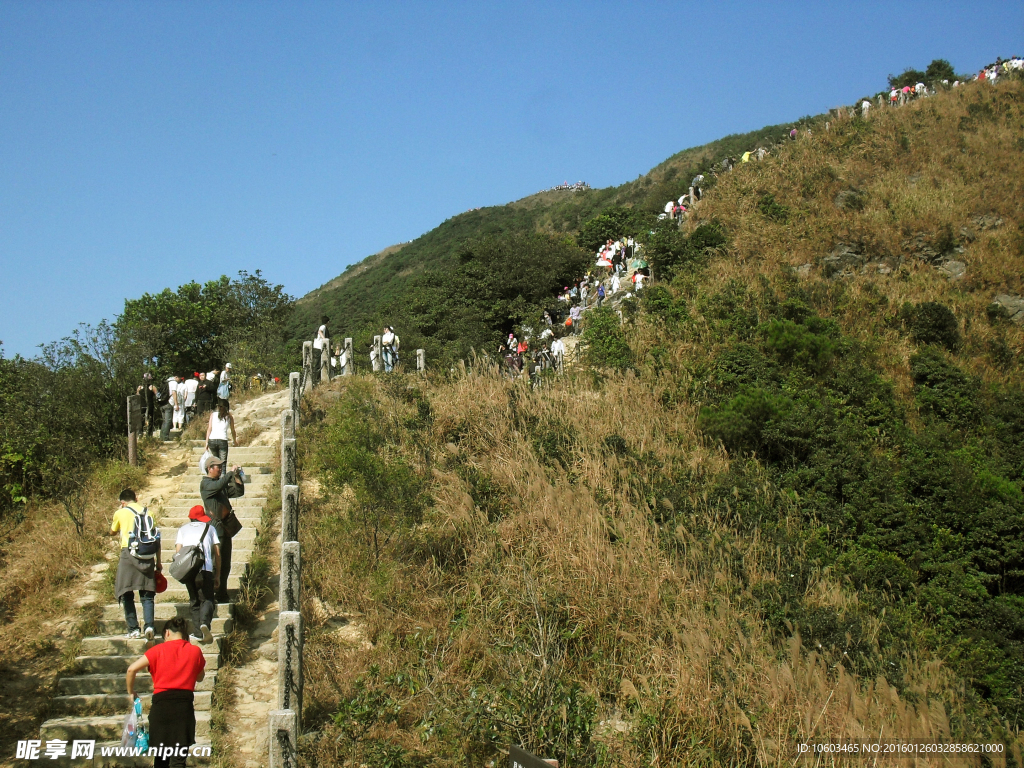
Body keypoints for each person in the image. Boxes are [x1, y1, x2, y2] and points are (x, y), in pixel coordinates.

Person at [125, 616, 205, 768]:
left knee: (161, 759)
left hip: (161, 709)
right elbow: (200, 677)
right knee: (178, 760)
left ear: (167, 633)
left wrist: (131, 692)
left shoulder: (157, 650)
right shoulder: (195, 651)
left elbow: (131, 669)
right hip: (183, 709)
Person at [112, 489, 161, 640]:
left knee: (126, 592)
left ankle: (133, 628)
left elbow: (112, 531)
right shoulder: (149, 513)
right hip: (147, 554)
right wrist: (158, 562)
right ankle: (149, 626)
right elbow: (156, 538)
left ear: (122, 502)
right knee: (147, 594)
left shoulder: (120, 513)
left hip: (128, 553)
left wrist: (121, 512)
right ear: (136, 498)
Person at [175, 505, 221, 644]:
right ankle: (204, 624)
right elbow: (217, 553)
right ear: (202, 518)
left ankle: (197, 632)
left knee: (194, 601)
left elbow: (178, 552)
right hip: (205, 569)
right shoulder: (210, 528)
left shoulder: (182, 529)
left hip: (189, 571)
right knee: (207, 599)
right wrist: (217, 574)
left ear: (190, 517)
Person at [200, 457, 243, 603]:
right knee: (214, 563)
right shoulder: (206, 484)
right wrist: (230, 474)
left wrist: (237, 476)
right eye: (218, 467)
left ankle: (222, 593)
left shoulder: (220, 484)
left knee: (225, 564)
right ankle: (210, 594)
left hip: (225, 529)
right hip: (214, 530)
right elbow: (219, 485)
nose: (220, 469)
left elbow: (238, 492)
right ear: (209, 468)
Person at [205, 400, 236, 465]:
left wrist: (206, 442)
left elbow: (209, 429)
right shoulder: (229, 417)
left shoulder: (213, 415)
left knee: (216, 464)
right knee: (223, 464)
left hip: (212, 440)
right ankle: (222, 475)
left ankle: (216, 474)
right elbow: (233, 430)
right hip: (222, 440)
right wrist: (234, 441)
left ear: (218, 407)